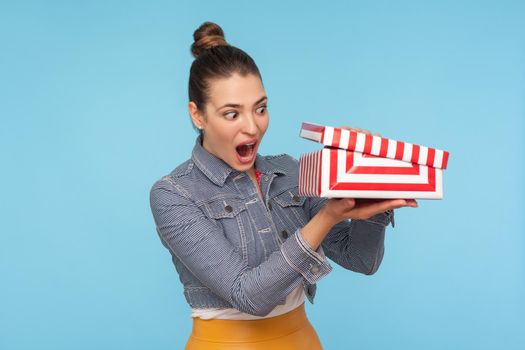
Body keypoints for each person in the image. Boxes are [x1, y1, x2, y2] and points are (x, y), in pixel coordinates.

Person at [149, 21, 418, 350]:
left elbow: (360, 259)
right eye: (232, 114)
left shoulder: (289, 171)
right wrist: (328, 215)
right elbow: (249, 296)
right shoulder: (174, 195)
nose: (252, 127)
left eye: (260, 108)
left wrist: (370, 190)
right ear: (198, 115)